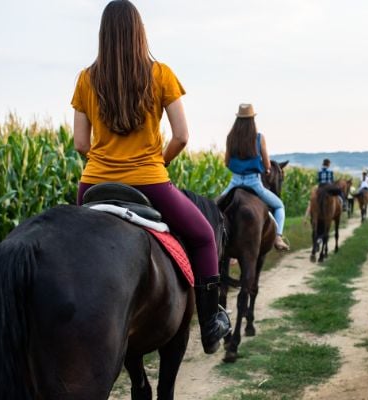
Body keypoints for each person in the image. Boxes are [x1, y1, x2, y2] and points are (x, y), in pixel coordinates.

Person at [70, 0, 229, 355]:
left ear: (103, 35)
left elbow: (81, 143)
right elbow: (182, 136)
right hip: (149, 181)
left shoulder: (86, 78)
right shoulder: (161, 75)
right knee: (204, 235)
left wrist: (104, 161)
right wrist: (157, 163)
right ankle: (209, 323)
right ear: (140, 33)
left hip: (93, 184)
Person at [221, 103, 289, 251]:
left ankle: (219, 242)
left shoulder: (230, 138)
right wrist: (268, 170)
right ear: (252, 119)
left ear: (237, 119)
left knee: (215, 208)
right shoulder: (259, 138)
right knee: (279, 206)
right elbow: (267, 164)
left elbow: (226, 162)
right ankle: (278, 237)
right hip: (254, 183)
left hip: (235, 182)